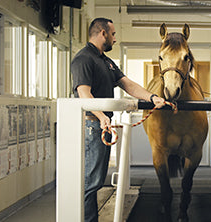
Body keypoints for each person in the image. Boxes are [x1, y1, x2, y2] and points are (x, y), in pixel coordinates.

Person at [71, 17, 166, 222]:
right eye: (113, 34)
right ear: (103, 33)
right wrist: (102, 116)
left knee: (95, 181)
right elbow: (83, 94)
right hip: (91, 125)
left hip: (101, 125)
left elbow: (128, 85)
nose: (115, 39)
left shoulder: (105, 61)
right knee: (90, 182)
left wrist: (152, 97)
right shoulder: (83, 59)